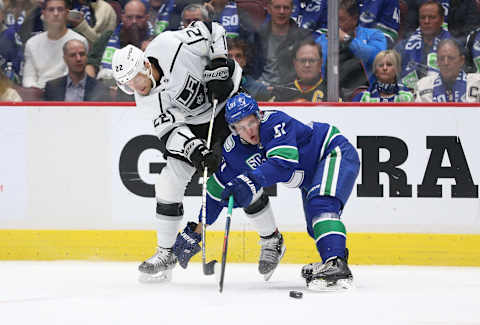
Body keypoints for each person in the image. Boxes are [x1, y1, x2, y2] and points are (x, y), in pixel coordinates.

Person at [172, 93, 360, 290]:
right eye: (242, 127)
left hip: (331, 151)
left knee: (322, 205)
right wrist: (197, 230)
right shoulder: (234, 150)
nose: (250, 131)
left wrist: (249, 181)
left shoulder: (275, 122)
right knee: (316, 227)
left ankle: (336, 265)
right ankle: (330, 261)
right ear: (233, 129)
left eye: (252, 122)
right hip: (310, 175)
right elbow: (216, 190)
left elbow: (283, 164)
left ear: (258, 116)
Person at [111, 20, 242, 281]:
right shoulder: (145, 101)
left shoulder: (170, 44)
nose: (135, 88)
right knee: (168, 182)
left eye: (135, 79)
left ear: (146, 65)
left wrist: (218, 62)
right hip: (196, 124)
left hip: (230, 100)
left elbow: (212, 29)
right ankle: (165, 253)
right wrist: (197, 151)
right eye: (127, 85)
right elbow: (171, 132)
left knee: (244, 173)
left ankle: (271, 239)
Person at [85, 0, 154, 100]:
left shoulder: (154, 41)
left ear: (147, 18)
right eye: (129, 17)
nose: (134, 21)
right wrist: (94, 87)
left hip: (145, 95)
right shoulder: (108, 37)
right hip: (106, 93)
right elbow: (90, 64)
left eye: (139, 17)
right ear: (122, 17)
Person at [315, 0, 387, 83]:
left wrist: (347, 39)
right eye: (333, 19)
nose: (336, 23)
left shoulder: (374, 35)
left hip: (365, 93)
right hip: (329, 91)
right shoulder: (321, 40)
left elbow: (379, 59)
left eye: (341, 19)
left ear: (355, 19)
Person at [22, 0, 89, 89]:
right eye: (51, 10)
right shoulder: (32, 43)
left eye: (60, 9)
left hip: (67, 94)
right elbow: (28, 77)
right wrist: (35, 92)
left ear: (66, 13)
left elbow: (76, 78)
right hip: (38, 95)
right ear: (44, 14)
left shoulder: (80, 42)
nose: (56, 14)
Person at [395, 0, 452, 90]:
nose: (426, 21)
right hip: (407, 96)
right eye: (422, 17)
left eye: (432, 17)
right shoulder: (403, 46)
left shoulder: (454, 46)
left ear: (441, 20)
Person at [257, 0, 312, 86]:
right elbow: (250, 71)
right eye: (277, 7)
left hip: (290, 91)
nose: (281, 11)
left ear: (292, 9)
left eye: (286, 8)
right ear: (269, 9)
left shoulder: (303, 38)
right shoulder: (257, 35)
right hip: (260, 91)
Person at [44, 39, 109, 101]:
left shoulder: (100, 88)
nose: (78, 59)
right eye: (72, 55)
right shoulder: (52, 87)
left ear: (87, 57)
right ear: (65, 59)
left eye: (82, 54)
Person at [416, 39, 480, 102]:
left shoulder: (477, 82)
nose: (446, 63)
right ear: (437, 61)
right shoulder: (424, 85)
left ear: (461, 60)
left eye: (451, 58)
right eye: (441, 58)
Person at [227, 37, 272, 101]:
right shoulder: (214, 86)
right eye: (229, 56)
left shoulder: (259, 89)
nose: (234, 60)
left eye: (238, 56)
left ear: (244, 60)